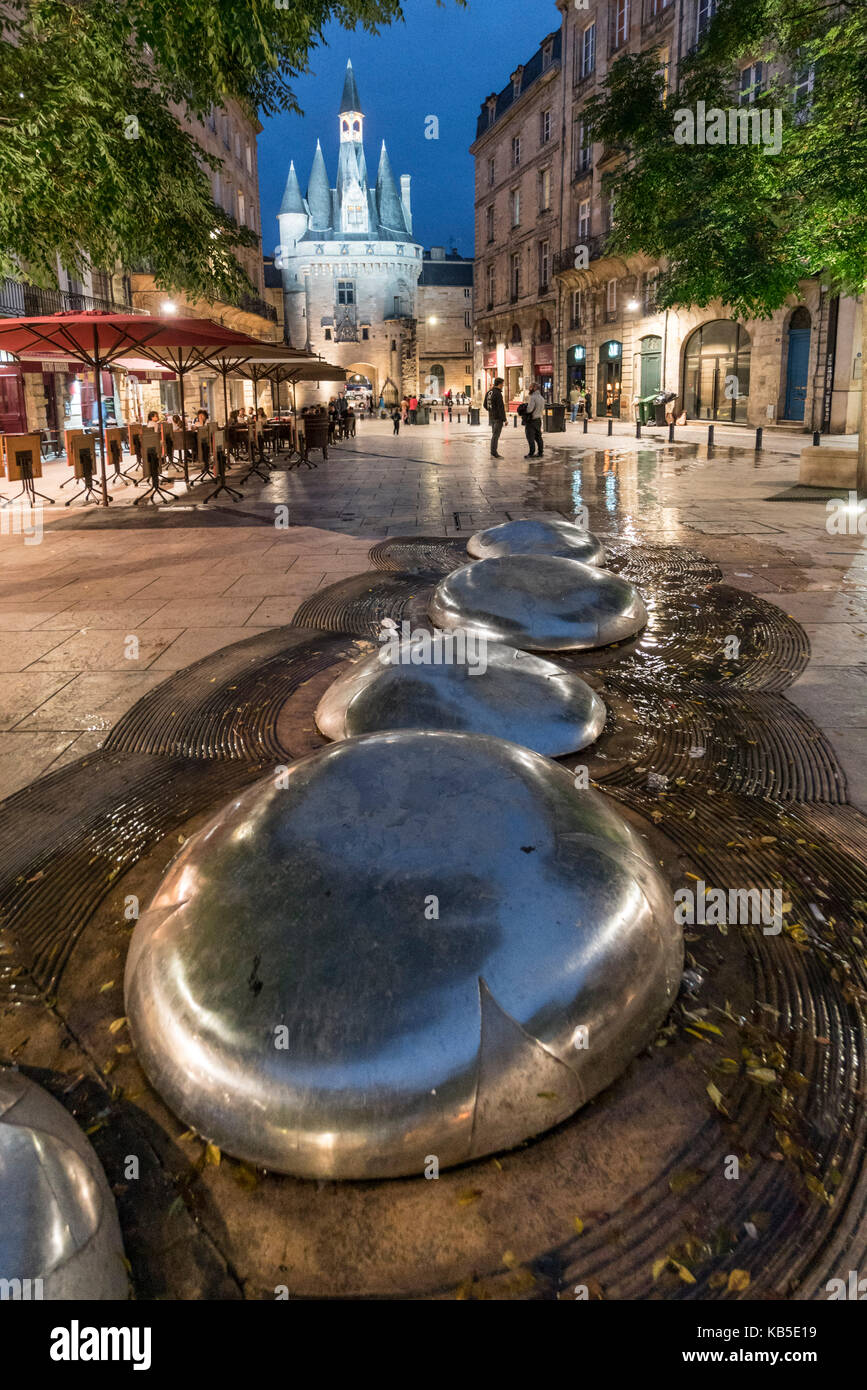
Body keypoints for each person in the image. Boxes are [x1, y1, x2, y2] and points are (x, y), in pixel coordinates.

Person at [523, 381, 546, 458]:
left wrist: (524, 409)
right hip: (538, 420)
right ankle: (540, 452)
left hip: (532, 420)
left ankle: (531, 453)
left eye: (531, 387)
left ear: (535, 388)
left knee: (530, 437)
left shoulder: (533, 397)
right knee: (538, 437)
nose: (529, 388)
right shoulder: (542, 398)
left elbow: (529, 410)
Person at [484, 376, 506, 458]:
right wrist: (504, 419)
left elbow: (485, 405)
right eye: (502, 384)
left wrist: (491, 411)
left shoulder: (489, 392)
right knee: (496, 435)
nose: (503, 386)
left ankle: (493, 451)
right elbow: (501, 408)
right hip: (497, 418)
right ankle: (494, 452)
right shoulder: (498, 393)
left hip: (491, 417)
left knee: (494, 434)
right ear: (499, 384)